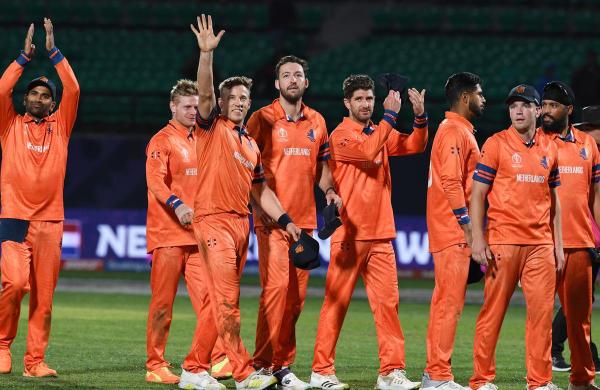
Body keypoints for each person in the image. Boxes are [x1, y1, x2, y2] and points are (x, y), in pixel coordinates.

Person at [185, 14, 302, 390]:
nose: (239, 102)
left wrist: (286, 221)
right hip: (213, 220)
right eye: (232, 98)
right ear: (221, 102)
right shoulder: (211, 127)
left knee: (217, 304)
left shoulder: (250, 144)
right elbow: (203, 94)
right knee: (229, 301)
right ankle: (243, 372)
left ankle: (192, 369)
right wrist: (206, 55)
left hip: (241, 225)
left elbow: (261, 190)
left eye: (244, 98)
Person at [310, 74, 428, 390]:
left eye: (370, 99)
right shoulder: (341, 136)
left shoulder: (379, 130)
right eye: (360, 99)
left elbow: (416, 144)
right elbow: (366, 153)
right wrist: (390, 114)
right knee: (336, 304)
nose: (366, 104)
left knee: (388, 306)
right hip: (350, 234)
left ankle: (390, 373)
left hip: (381, 234)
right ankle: (321, 371)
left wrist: (419, 117)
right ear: (347, 103)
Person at [246, 55, 341, 390]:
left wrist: (329, 191)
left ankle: (282, 367)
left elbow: (323, 169)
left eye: (297, 75)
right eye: (285, 75)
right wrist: (260, 208)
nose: (292, 80)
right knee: (275, 291)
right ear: (276, 83)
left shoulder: (318, 120)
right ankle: (260, 364)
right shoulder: (261, 119)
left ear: (306, 82)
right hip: (272, 222)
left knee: (296, 300)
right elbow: (249, 172)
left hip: (305, 224)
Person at [469, 85, 564, 390]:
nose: (518, 111)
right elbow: (478, 194)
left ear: (538, 111)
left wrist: (558, 246)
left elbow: (555, 202)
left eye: (525, 105)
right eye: (513, 106)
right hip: (503, 241)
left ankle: (539, 381)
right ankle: (482, 379)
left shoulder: (551, 147)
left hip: (540, 246)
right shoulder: (496, 144)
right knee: (492, 313)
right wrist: (478, 239)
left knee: (541, 316)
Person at [0, 18, 79, 378]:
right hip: (15, 217)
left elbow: (74, 89)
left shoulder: (60, 125)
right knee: (14, 284)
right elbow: (2, 90)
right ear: (26, 98)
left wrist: (54, 52)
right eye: (33, 93)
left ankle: (35, 362)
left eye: (45, 95)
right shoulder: (10, 124)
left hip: (51, 220)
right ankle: (2, 346)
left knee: (44, 298)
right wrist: (23, 58)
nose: (38, 98)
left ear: (51, 103)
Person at [144, 79, 230, 385]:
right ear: (173, 106)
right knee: (163, 304)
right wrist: (177, 203)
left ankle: (218, 358)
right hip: (167, 234)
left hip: (199, 236)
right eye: (187, 106)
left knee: (210, 300)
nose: (194, 111)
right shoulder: (161, 140)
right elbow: (155, 182)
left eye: (197, 106)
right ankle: (156, 364)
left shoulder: (205, 138)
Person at [422, 72, 486, 390]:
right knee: (449, 303)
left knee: (445, 302)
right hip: (452, 230)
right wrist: (467, 226)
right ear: (465, 98)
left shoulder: (458, 130)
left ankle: (435, 372)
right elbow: (450, 181)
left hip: (449, 228)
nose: (483, 98)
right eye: (479, 93)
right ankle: (437, 375)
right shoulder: (453, 132)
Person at [541, 83, 600, 390]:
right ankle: (538, 380)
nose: (546, 111)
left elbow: (595, 198)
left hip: (579, 243)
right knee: (538, 317)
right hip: (541, 243)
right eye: (544, 105)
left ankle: (582, 379)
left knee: (580, 316)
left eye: (553, 105)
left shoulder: (587, 147)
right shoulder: (535, 142)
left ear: (568, 110)